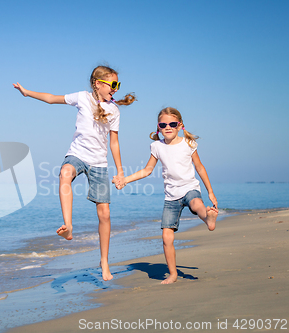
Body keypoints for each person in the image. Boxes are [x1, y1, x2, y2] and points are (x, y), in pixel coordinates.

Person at [13, 65, 135, 281]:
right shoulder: (82, 98)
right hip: (77, 154)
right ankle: (68, 225)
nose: (115, 89)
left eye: (117, 85)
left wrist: (120, 171)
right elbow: (51, 98)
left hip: (99, 162)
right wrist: (27, 92)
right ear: (98, 83)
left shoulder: (114, 111)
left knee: (104, 214)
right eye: (112, 84)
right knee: (65, 173)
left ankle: (104, 262)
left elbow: (114, 142)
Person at [118, 107, 218, 284]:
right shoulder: (157, 146)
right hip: (171, 196)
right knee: (166, 237)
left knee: (196, 203)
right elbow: (147, 170)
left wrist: (210, 191)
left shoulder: (188, 144)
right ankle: (173, 274)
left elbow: (200, 168)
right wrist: (126, 180)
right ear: (158, 127)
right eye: (163, 124)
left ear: (180, 125)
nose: (168, 127)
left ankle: (208, 218)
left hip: (189, 187)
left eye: (172, 123)